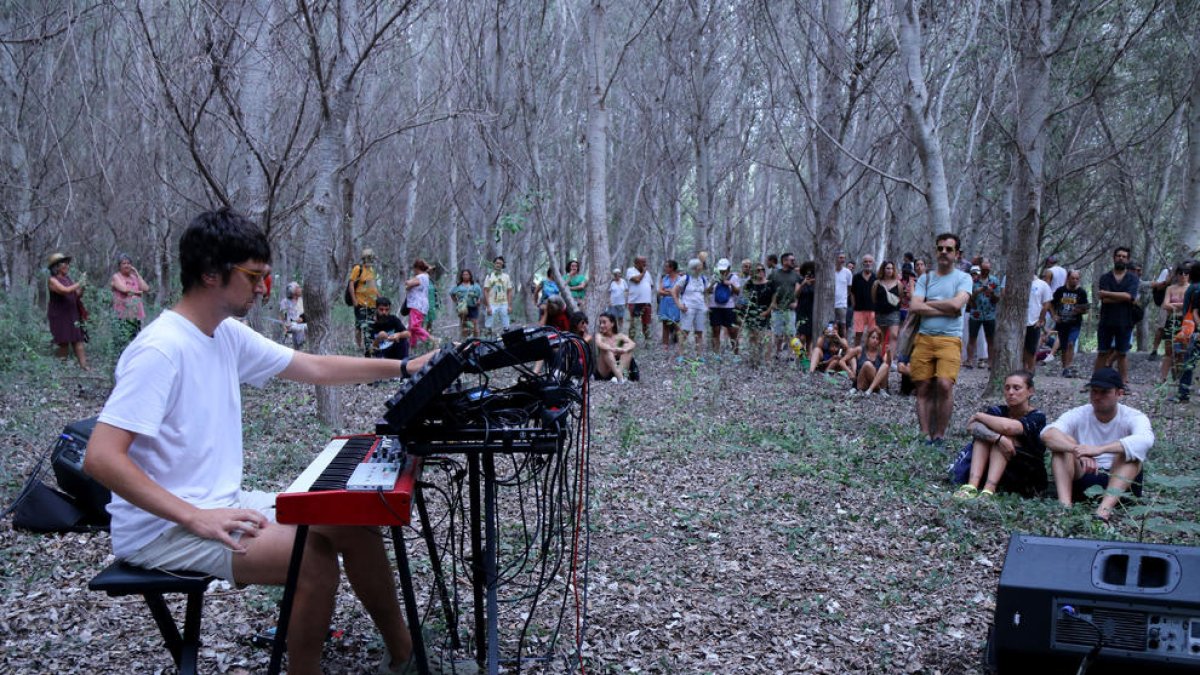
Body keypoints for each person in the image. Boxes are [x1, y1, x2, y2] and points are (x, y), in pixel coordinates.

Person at [82, 208, 446, 675]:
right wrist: (195, 516)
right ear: (211, 273)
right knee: (312, 560)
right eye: (254, 276)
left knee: (351, 522)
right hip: (164, 528)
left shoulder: (223, 333)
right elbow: (101, 456)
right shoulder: (160, 350)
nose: (262, 288)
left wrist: (404, 367)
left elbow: (312, 366)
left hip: (221, 501)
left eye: (266, 278)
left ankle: (405, 657)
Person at [1042, 368, 1153, 521]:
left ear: (1119, 393)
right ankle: (1065, 508)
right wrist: (1077, 450)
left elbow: (1145, 439)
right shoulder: (1079, 414)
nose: (1097, 397)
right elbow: (1048, 434)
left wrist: (1099, 450)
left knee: (1130, 453)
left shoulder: (1133, 416)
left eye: (1104, 392)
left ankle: (1103, 512)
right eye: (1094, 391)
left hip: (1121, 485)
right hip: (1085, 478)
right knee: (1060, 451)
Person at [909, 232, 973, 444]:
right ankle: (925, 434)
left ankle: (939, 436)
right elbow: (914, 306)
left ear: (957, 253)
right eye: (940, 248)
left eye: (949, 249)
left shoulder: (964, 278)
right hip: (924, 339)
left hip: (950, 340)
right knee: (923, 387)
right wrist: (944, 306)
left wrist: (930, 304)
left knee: (945, 385)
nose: (944, 252)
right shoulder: (925, 279)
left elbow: (957, 305)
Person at [953, 370, 1047, 499]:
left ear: (1030, 391)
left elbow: (1008, 428)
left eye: (1017, 388)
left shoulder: (1037, 416)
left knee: (1004, 436)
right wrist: (998, 438)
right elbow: (972, 426)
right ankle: (971, 486)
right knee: (985, 436)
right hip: (997, 467)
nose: (1010, 392)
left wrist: (979, 415)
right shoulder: (998, 410)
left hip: (1025, 472)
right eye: (1007, 388)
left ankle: (988, 491)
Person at [1095, 246, 1139, 384]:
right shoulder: (1105, 277)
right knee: (1102, 352)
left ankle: (1123, 383)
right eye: (1118, 255)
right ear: (1114, 258)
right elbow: (1104, 299)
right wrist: (1122, 296)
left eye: (1124, 256)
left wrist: (1108, 293)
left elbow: (1129, 296)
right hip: (1106, 319)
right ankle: (1096, 380)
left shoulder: (1132, 278)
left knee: (1122, 353)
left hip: (1125, 321)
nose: (1121, 258)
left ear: (1128, 259)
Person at [46, 252, 89, 371]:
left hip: (72, 312)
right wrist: (79, 282)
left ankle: (84, 366)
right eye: (64, 263)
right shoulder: (52, 280)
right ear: (57, 266)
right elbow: (65, 291)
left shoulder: (68, 279)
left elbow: (76, 294)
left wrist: (83, 286)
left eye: (67, 263)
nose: (67, 266)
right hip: (60, 314)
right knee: (63, 342)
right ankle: (61, 369)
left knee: (78, 339)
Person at [1051, 270, 1089, 378]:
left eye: (1077, 278)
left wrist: (1079, 310)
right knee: (1063, 347)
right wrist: (1054, 315)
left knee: (1071, 343)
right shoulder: (1060, 291)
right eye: (1073, 278)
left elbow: (1086, 309)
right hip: (1062, 322)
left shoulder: (1081, 292)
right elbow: (1051, 304)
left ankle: (1068, 367)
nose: (1075, 280)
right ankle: (1065, 368)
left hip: (1075, 323)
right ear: (1068, 278)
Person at [967, 258, 1002, 369]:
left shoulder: (994, 281)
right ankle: (969, 361)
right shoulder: (974, 281)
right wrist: (977, 292)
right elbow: (968, 297)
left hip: (989, 314)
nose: (986, 271)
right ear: (980, 268)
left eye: (988, 269)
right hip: (975, 313)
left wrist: (992, 293)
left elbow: (997, 299)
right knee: (972, 337)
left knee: (990, 339)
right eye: (984, 269)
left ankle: (990, 363)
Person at [1172, 264, 1200, 402]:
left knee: (1189, 362)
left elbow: (1191, 311)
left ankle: (1183, 394)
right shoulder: (1196, 288)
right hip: (1195, 329)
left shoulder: (1193, 288)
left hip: (1192, 330)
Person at [110, 253, 151, 346]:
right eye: (124, 263)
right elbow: (124, 290)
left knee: (135, 340)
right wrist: (138, 293)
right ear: (119, 266)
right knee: (123, 341)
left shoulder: (134, 277)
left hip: (136, 314)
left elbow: (146, 288)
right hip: (123, 314)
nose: (127, 265)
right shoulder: (116, 276)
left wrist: (137, 273)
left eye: (128, 263)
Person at [1158, 265, 1189, 382]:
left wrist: (1174, 305)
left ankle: (1180, 378)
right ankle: (1163, 378)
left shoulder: (1191, 288)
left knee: (1182, 351)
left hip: (1185, 322)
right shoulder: (1170, 288)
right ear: (1176, 275)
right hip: (1171, 320)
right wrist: (1180, 305)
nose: (1183, 276)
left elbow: (1189, 306)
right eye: (1180, 273)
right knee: (1168, 350)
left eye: (1186, 273)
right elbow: (1165, 305)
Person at [672, 258, 708, 358]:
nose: (702, 267)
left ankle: (699, 356)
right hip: (687, 308)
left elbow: (706, 292)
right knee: (684, 332)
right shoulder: (685, 278)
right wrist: (679, 304)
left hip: (700, 308)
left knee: (699, 332)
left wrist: (706, 305)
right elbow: (674, 291)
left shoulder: (703, 279)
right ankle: (681, 355)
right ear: (695, 267)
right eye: (700, 266)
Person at [741, 262, 775, 368]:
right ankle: (754, 362)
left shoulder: (770, 284)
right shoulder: (749, 284)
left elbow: (774, 300)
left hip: (766, 313)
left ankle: (767, 362)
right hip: (752, 314)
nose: (761, 272)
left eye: (763, 270)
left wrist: (767, 312)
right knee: (754, 338)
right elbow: (745, 299)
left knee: (767, 337)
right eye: (758, 270)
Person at [768, 252, 801, 358]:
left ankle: (792, 355)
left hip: (790, 309)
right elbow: (768, 289)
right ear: (784, 261)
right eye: (792, 260)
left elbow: (799, 290)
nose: (793, 262)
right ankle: (777, 353)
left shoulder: (795, 275)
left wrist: (796, 302)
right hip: (777, 309)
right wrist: (772, 303)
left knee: (791, 333)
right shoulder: (774, 274)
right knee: (778, 332)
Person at [841, 326, 890, 394]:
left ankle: (873, 389)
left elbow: (888, 365)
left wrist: (889, 353)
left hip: (876, 384)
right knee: (867, 364)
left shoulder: (880, 351)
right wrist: (849, 371)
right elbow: (841, 361)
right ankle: (878, 389)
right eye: (873, 337)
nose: (875, 340)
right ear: (868, 338)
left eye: (877, 339)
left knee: (885, 365)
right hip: (863, 384)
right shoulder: (859, 350)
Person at [707, 258, 741, 355]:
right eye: (720, 269)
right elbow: (707, 291)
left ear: (729, 268)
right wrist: (714, 282)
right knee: (715, 330)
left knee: (732, 331)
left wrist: (729, 283)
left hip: (729, 307)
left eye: (724, 269)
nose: (722, 271)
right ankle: (715, 354)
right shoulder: (714, 276)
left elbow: (738, 292)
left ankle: (736, 354)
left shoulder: (734, 277)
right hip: (715, 306)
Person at [348, 248, 380, 350]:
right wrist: (354, 300)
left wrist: (380, 298)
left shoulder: (371, 270)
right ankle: (358, 345)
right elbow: (351, 284)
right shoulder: (358, 268)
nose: (370, 260)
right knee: (360, 325)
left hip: (371, 303)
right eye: (368, 258)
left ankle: (369, 345)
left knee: (371, 324)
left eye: (371, 258)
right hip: (360, 302)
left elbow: (373, 287)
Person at [594, 312, 636, 382]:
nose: (601, 325)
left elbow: (632, 343)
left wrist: (624, 350)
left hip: (620, 368)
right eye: (600, 322)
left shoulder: (619, 336)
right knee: (606, 350)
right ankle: (620, 378)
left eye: (604, 322)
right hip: (605, 371)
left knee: (627, 347)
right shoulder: (600, 336)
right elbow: (599, 343)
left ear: (612, 324)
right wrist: (613, 349)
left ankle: (618, 376)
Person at [1023, 274, 1054, 372]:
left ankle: (1030, 371)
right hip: (1019, 322)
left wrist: (1041, 320)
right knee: (1021, 348)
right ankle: (1023, 370)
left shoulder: (1042, 285)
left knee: (1031, 349)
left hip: (1033, 322)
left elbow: (1046, 304)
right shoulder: (1019, 282)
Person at [872, 260, 902, 358]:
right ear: (883, 270)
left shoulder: (898, 283)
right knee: (881, 337)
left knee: (894, 335)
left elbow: (900, 297)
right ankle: (881, 357)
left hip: (894, 312)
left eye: (892, 268)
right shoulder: (877, 283)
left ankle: (890, 359)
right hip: (880, 313)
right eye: (887, 268)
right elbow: (873, 298)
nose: (890, 270)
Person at [403, 259, 434, 349]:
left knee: (414, 326)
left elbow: (409, 283)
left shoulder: (420, 277)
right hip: (418, 305)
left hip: (417, 305)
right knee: (411, 328)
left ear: (416, 268)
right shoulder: (425, 276)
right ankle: (413, 346)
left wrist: (408, 282)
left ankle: (431, 339)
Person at [625, 256, 654, 342]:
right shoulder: (630, 271)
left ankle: (648, 342)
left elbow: (651, 285)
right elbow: (637, 280)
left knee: (646, 324)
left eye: (645, 261)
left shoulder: (647, 273)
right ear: (636, 263)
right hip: (635, 302)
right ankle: (630, 342)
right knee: (634, 324)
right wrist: (644, 272)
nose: (645, 264)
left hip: (646, 302)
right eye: (643, 262)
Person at [849, 254, 877, 346]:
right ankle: (857, 354)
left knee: (872, 334)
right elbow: (852, 292)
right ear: (862, 263)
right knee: (858, 333)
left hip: (872, 310)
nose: (867, 263)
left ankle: (869, 353)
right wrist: (854, 305)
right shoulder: (856, 277)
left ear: (872, 263)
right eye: (865, 261)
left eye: (869, 261)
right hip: (859, 310)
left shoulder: (876, 278)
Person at [482, 256, 513, 336]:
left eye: (500, 263)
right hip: (492, 303)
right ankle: (488, 340)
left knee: (506, 324)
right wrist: (488, 306)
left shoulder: (506, 277)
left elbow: (509, 291)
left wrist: (509, 306)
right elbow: (486, 291)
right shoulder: (489, 276)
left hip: (504, 303)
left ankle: (507, 340)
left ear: (503, 265)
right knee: (488, 323)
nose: (498, 265)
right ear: (494, 264)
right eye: (496, 263)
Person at [450, 269, 482, 339]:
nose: (465, 276)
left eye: (467, 274)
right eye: (464, 275)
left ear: (470, 276)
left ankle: (477, 340)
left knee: (474, 324)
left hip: (473, 307)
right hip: (463, 308)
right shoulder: (458, 286)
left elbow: (479, 295)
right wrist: (456, 301)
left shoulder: (475, 286)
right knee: (464, 325)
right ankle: (464, 342)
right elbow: (452, 293)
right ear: (461, 276)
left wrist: (478, 301)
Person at [657, 260, 682, 348]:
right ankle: (665, 345)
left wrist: (668, 291)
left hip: (675, 303)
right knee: (665, 324)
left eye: (667, 267)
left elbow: (679, 292)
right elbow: (660, 291)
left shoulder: (680, 278)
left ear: (672, 268)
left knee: (676, 324)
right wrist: (670, 292)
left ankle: (679, 346)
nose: (665, 268)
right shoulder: (665, 278)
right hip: (665, 303)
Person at [794, 260, 816, 352]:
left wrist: (814, 283)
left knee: (809, 337)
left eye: (811, 270)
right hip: (801, 310)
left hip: (812, 311)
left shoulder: (817, 281)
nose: (809, 272)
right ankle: (800, 356)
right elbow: (796, 295)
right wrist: (803, 284)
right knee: (801, 336)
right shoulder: (799, 280)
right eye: (807, 270)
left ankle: (807, 358)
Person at [278, 281, 307, 349]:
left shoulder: (302, 300)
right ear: (292, 290)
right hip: (291, 329)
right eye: (298, 287)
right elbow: (281, 316)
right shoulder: (285, 302)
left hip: (302, 330)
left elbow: (306, 315)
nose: (300, 289)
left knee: (302, 348)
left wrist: (303, 319)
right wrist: (284, 328)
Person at [832, 251, 853, 338]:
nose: (842, 260)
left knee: (843, 325)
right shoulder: (830, 271)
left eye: (844, 258)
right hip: (829, 303)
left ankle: (844, 347)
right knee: (831, 325)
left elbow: (849, 288)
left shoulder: (847, 272)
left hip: (841, 303)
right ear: (835, 259)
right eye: (840, 258)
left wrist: (844, 298)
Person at [607, 268, 628, 332]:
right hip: (613, 303)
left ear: (620, 274)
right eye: (615, 274)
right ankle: (614, 330)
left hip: (621, 302)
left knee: (621, 317)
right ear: (614, 275)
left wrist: (626, 300)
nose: (617, 275)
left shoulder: (623, 281)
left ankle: (620, 330)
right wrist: (609, 301)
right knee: (613, 317)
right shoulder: (612, 283)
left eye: (618, 273)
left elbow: (626, 290)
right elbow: (609, 293)